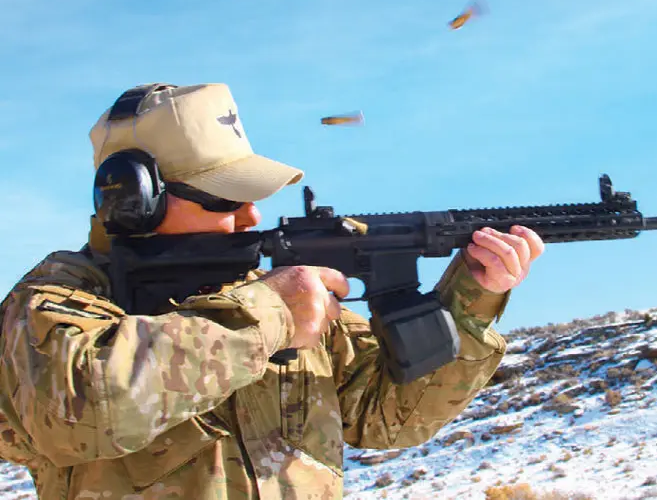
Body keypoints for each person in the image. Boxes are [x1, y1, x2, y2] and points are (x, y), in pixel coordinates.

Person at [0, 83, 544, 499]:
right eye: (223, 198)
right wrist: (265, 318)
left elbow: (391, 418)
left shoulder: (273, 294)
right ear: (133, 200)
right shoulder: (60, 299)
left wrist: (471, 298)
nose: (252, 214)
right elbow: (77, 407)